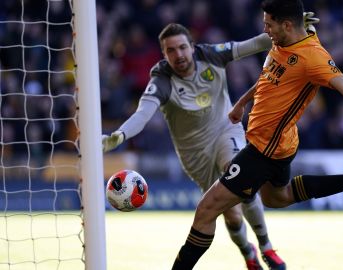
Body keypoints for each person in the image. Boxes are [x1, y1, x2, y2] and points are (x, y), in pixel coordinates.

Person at [170, 0, 343, 269]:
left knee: (206, 209)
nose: (265, 29)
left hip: (264, 150)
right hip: (279, 143)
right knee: (275, 198)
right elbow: (268, 76)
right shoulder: (282, 41)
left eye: (269, 24)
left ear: (287, 25)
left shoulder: (313, 57)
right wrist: (242, 102)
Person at [102, 17, 321, 269]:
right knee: (232, 214)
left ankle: (266, 247)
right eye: (171, 50)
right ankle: (247, 252)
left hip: (225, 131)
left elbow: (254, 44)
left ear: (192, 46)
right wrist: (118, 136)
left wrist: (288, 27)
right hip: (194, 155)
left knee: (243, 183)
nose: (179, 54)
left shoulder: (212, 55)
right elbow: (142, 114)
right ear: (164, 54)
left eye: (182, 47)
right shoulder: (161, 80)